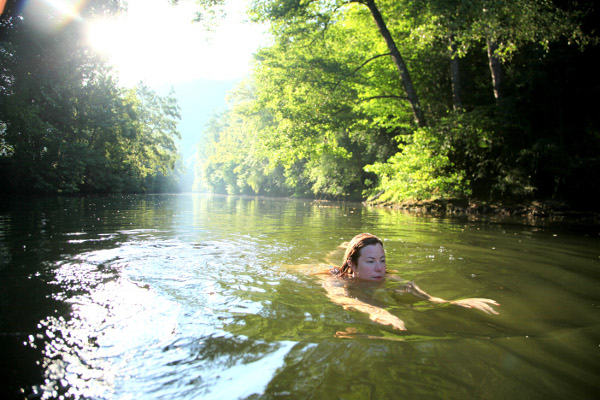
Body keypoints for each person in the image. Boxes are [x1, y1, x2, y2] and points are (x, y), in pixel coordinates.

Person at [318, 233, 500, 331]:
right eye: (371, 261)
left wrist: (454, 302)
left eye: (382, 260)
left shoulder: (388, 277)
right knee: (328, 258)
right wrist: (377, 312)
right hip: (332, 269)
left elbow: (424, 296)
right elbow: (342, 300)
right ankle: (340, 247)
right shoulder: (335, 279)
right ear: (352, 263)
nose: (380, 268)